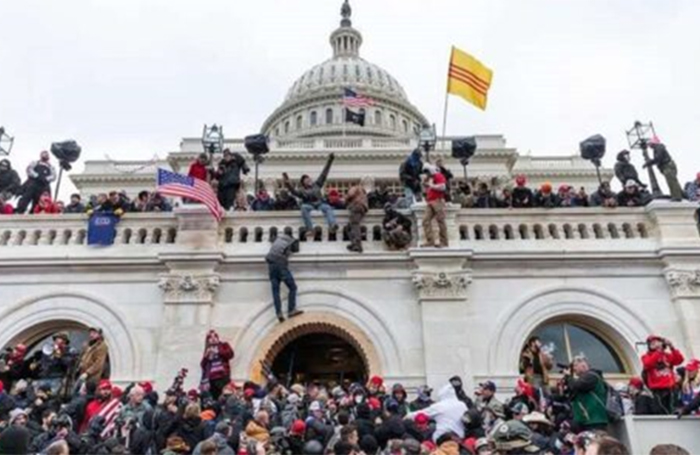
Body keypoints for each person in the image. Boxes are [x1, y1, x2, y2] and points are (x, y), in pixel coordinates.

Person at [283, 153, 337, 236]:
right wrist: (288, 185)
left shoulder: (317, 184)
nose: (308, 180)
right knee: (304, 208)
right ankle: (310, 229)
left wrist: (330, 160)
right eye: (306, 180)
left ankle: (332, 225)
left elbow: (324, 173)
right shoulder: (302, 191)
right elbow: (294, 192)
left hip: (320, 204)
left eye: (308, 178)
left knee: (327, 207)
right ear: (303, 183)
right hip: (309, 205)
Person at [564, 355, 609, 432]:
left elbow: (578, 385)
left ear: (583, 365)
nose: (574, 369)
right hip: (585, 420)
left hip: (594, 419)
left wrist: (569, 377)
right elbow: (571, 393)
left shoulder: (591, 376)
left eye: (575, 366)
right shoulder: (583, 378)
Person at [641, 335, 684, 414]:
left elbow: (679, 360)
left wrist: (672, 347)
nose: (653, 343)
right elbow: (648, 364)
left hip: (670, 387)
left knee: (672, 408)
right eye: (651, 342)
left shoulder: (667, 356)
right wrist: (658, 351)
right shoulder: (646, 356)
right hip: (658, 389)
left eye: (656, 341)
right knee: (662, 410)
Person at [266, 232, 302, 323]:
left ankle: (279, 313)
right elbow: (295, 250)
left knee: (275, 291)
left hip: (271, 265)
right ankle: (291, 310)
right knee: (293, 287)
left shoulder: (278, 238)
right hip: (280, 265)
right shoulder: (291, 241)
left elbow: (271, 239)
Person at [200, 330, 235, 400]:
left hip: (223, 377)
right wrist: (206, 356)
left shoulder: (224, 345)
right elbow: (202, 365)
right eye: (210, 337)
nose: (213, 338)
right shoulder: (207, 350)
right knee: (214, 398)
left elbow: (230, 354)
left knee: (225, 397)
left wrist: (218, 351)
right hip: (212, 379)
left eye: (215, 336)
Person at [421, 164, 448, 248]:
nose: (426, 174)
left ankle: (444, 242)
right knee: (425, 220)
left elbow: (443, 187)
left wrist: (432, 185)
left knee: (441, 220)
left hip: (437, 200)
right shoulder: (430, 178)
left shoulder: (438, 175)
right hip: (430, 201)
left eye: (427, 171)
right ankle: (430, 241)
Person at [345, 183, 368, 253]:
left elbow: (350, 195)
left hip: (356, 206)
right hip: (361, 207)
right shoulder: (362, 191)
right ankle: (354, 243)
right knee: (350, 226)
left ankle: (357, 244)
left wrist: (345, 199)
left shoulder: (355, 188)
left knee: (355, 224)